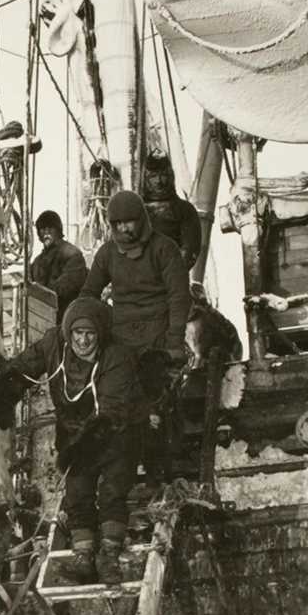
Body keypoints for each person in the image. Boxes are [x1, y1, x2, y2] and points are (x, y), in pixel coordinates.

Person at [0, 296, 142, 585]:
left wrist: (82, 448)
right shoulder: (53, 345)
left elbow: (113, 410)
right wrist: (0, 398)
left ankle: (109, 555)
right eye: (78, 333)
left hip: (115, 430)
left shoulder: (118, 357)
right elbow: (22, 369)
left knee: (113, 488)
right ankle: (83, 556)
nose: (84, 341)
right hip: (74, 430)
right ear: (69, 333)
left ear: (99, 335)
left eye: (90, 335)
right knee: (77, 493)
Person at [81, 189, 191, 489]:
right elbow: (89, 294)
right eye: (117, 224)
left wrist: (175, 340)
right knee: (117, 405)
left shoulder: (164, 249)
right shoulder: (106, 254)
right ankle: (121, 471)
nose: (123, 229)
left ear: (141, 220)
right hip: (121, 338)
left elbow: (179, 297)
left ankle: (162, 470)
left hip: (158, 335)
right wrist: (82, 327)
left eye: (129, 222)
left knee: (158, 407)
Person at [28, 209, 87, 313]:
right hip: (42, 315)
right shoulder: (37, 262)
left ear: (58, 231)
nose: (46, 232)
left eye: (50, 228)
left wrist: (39, 293)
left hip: (68, 315)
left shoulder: (73, 254)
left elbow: (65, 288)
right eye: (42, 229)